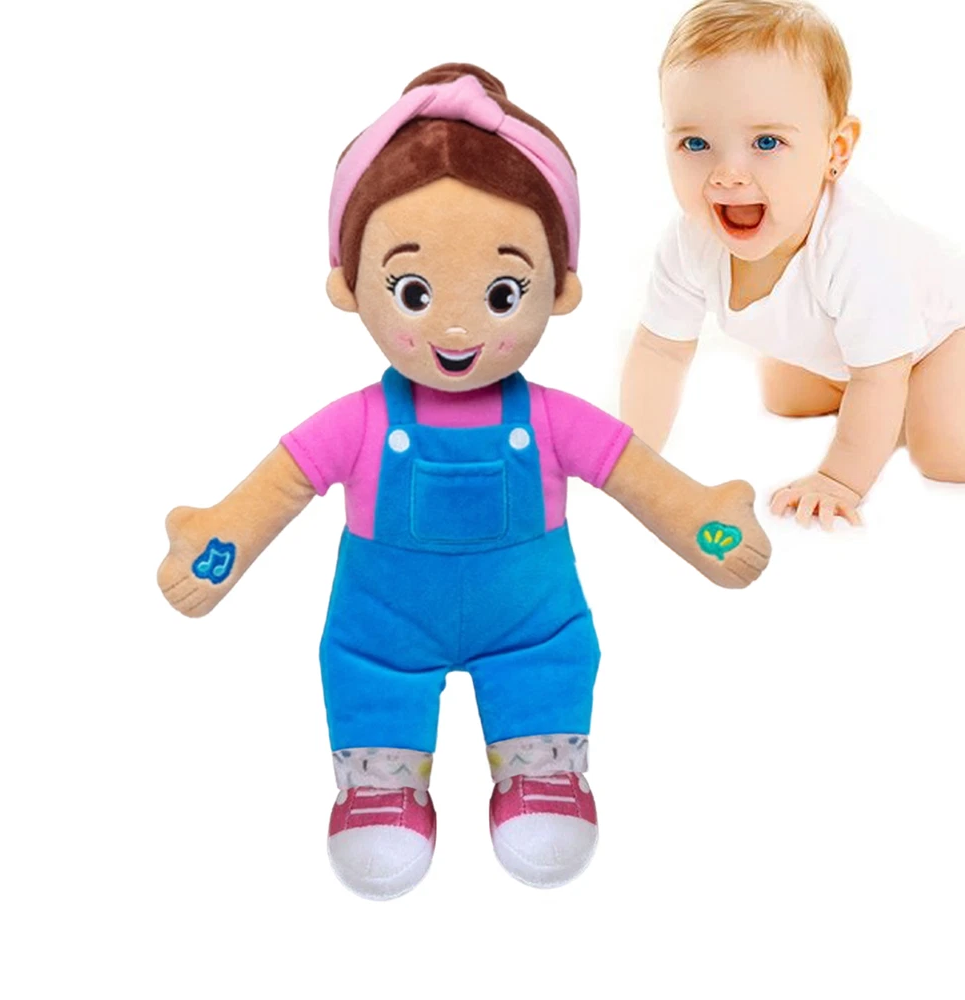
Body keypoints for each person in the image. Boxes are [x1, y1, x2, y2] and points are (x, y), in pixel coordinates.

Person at [158, 64, 770, 900]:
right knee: (366, 671)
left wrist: (703, 520)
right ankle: (380, 783)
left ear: (558, 289)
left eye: (502, 292)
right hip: (383, 626)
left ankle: (542, 767)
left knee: (550, 662)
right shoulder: (358, 421)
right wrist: (218, 542)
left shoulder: (550, 417)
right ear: (351, 286)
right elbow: (277, 488)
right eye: (412, 291)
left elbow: (636, 475)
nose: (454, 327)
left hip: (530, 623)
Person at [622, 0, 965, 529]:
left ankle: (908, 407)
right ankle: (892, 410)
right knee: (785, 396)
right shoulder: (690, 240)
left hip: (943, 335)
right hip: (855, 350)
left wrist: (840, 479)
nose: (727, 173)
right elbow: (659, 351)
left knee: (943, 449)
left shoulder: (857, 243)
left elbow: (878, 374)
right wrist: (631, 456)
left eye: (766, 142)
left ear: (836, 150)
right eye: (695, 143)